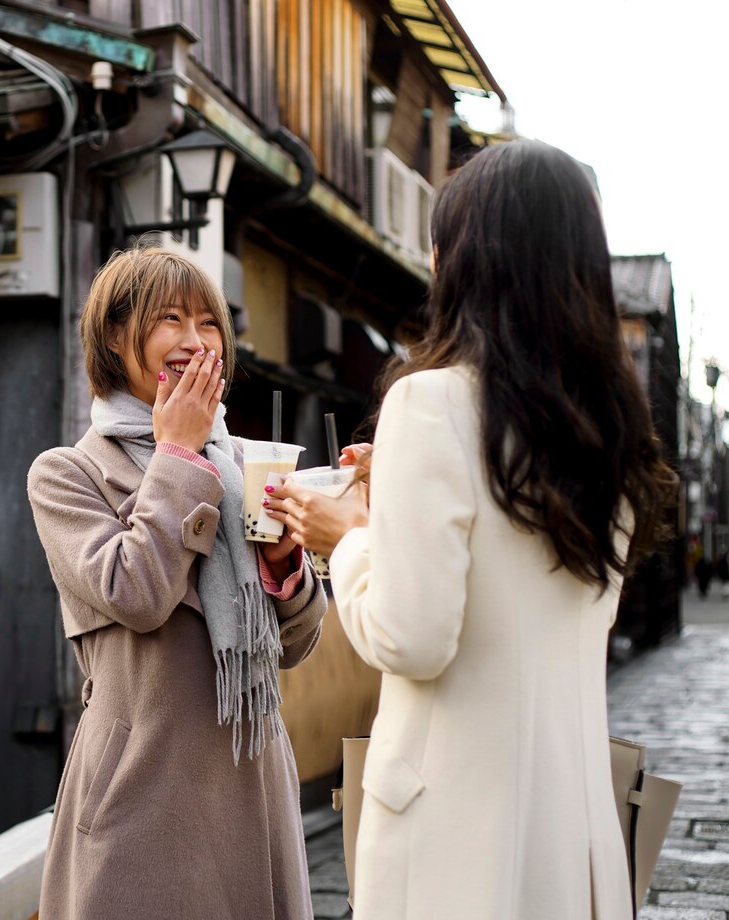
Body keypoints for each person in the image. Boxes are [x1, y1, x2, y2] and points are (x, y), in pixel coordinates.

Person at [266, 139, 676, 920]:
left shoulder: (431, 404)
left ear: (470, 261)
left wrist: (352, 536)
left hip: (451, 843)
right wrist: (399, 498)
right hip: (572, 840)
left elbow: (411, 638)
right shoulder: (609, 433)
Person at [26, 247, 326, 919]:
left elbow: (299, 644)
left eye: (208, 323)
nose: (195, 341)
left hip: (252, 784)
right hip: (140, 793)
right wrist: (178, 455)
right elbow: (138, 595)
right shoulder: (67, 474)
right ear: (113, 336)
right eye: (170, 319)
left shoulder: (248, 463)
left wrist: (284, 569)